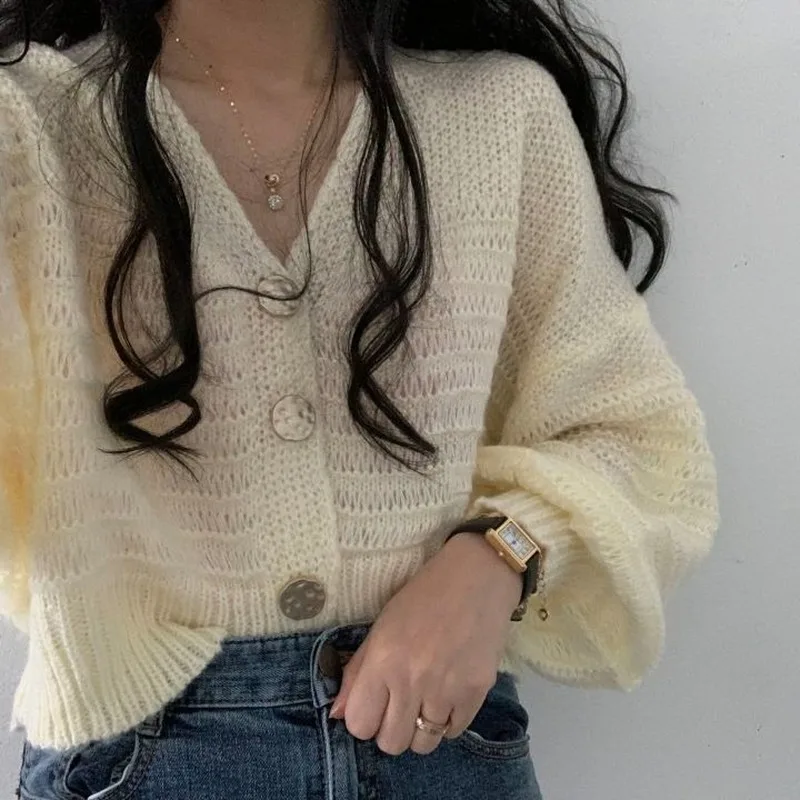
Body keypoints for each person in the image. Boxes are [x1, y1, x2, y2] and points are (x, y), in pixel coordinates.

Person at [0, 0, 719, 798]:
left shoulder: (496, 115)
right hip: (137, 758)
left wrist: (498, 556)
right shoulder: (28, 123)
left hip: (437, 746)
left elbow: (633, 437)